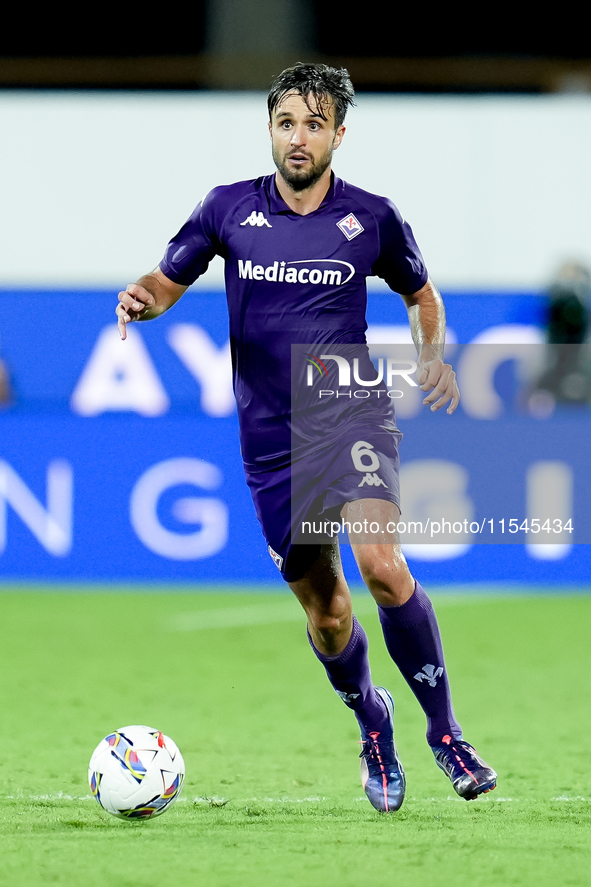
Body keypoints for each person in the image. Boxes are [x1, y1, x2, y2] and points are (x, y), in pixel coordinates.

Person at [116, 62, 496, 812]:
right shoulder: (226, 209)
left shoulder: (372, 217)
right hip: (268, 433)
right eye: (287, 122)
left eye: (315, 124)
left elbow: (421, 293)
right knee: (325, 611)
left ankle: (445, 732)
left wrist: (430, 357)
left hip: (346, 406)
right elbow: (166, 281)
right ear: (270, 128)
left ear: (338, 135)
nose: (299, 137)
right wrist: (142, 300)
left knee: (383, 567)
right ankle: (371, 718)